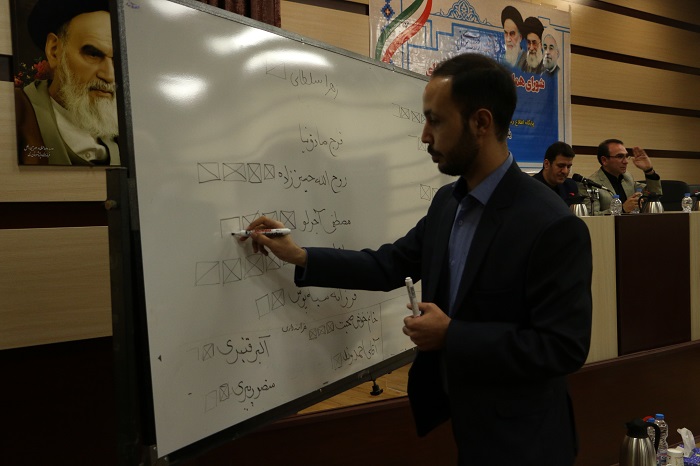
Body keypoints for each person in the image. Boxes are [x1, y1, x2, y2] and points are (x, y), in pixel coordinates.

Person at [241, 53, 593, 465]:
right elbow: (388, 265)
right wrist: (300, 256)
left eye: (435, 121)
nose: (425, 136)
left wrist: (453, 335)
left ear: (481, 123)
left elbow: (563, 347)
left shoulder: (550, 224)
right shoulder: (448, 203)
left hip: (527, 440)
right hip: (466, 423)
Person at [14, 0, 119, 166]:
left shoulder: (127, 129)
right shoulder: (16, 114)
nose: (109, 76)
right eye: (93, 54)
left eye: (117, 60)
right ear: (54, 51)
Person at [582, 139, 663, 215]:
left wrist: (649, 171)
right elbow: (592, 216)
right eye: (620, 156)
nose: (626, 161)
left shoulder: (627, 177)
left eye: (626, 156)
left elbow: (654, 194)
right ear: (604, 160)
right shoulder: (590, 184)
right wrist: (622, 209)